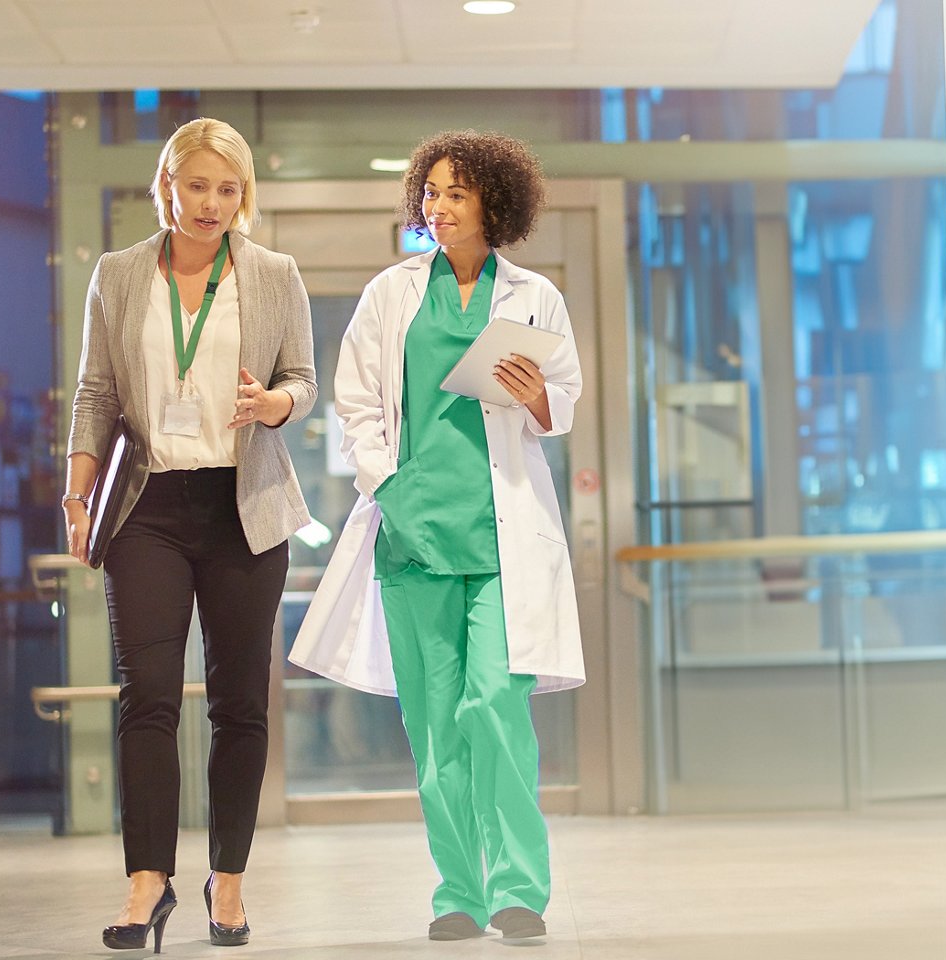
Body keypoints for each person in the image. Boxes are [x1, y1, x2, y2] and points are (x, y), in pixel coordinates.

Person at [290, 130, 585, 941]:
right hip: (413, 532)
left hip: (501, 537)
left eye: (457, 193)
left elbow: (564, 401)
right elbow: (357, 404)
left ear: (496, 202)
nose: (438, 206)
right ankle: (459, 891)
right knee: (436, 725)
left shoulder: (533, 295)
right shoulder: (393, 294)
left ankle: (520, 887)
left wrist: (535, 399)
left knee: (495, 707)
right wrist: (389, 487)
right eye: (432, 191)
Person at [63, 117, 316, 951]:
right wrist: (77, 491)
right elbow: (97, 391)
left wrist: (274, 405)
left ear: (245, 196)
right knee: (149, 697)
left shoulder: (274, 274)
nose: (211, 204)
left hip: (244, 505)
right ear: (166, 185)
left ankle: (229, 883)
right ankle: (147, 885)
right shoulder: (119, 273)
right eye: (197, 185)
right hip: (147, 508)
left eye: (228, 189)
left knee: (240, 704)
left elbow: (302, 381)